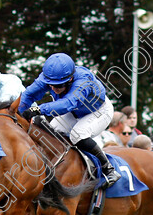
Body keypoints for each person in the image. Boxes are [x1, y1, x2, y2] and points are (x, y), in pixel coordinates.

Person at [18, 52, 120, 186]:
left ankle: (108, 169)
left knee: (78, 135)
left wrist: (38, 109)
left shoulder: (83, 80)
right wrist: (18, 114)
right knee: (50, 132)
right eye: (51, 85)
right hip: (74, 112)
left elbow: (68, 103)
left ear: (70, 79)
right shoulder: (48, 78)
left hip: (98, 111)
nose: (54, 88)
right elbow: (28, 95)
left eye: (59, 85)